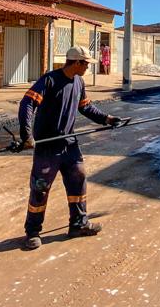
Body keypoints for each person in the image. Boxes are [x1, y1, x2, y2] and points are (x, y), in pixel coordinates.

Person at [17, 46, 122, 251]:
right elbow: (27, 103)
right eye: (86, 64)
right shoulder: (49, 80)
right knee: (40, 187)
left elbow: (85, 107)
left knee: (78, 178)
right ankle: (32, 231)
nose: (87, 67)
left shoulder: (78, 82)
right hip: (48, 145)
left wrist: (106, 119)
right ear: (76, 63)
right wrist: (26, 135)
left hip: (69, 144)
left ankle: (78, 224)